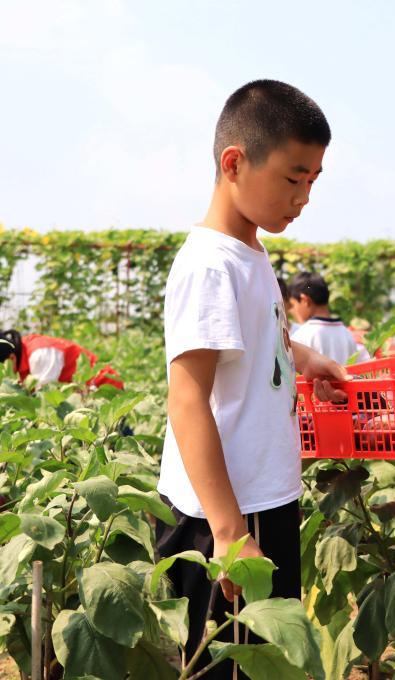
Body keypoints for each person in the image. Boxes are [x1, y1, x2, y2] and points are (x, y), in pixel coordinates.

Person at [154, 79, 347, 680]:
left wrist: (304, 358)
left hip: (262, 500)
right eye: (293, 178)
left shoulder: (250, 252)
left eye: (314, 181)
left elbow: (249, 339)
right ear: (234, 163)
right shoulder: (210, 265)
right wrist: (231, 534)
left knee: (266, 665)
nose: (304, 197)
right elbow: (187, 399)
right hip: (230, 513)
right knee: (233, 668)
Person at [288, 271, 369, 365]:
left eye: (293, 304)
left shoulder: (301, 337)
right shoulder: (347, 334)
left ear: (305, 300)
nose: (293, 310)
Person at [0, 329, 123, 389]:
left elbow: (43, 399)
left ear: (11, 358)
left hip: (105, 389)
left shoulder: (40, 355)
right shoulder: (21, 350)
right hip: (83, 396)